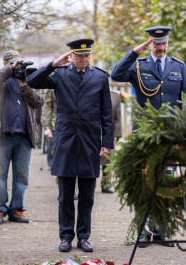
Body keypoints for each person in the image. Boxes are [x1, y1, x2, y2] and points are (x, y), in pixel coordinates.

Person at [27, 38, 114, 253]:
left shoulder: (100, 77)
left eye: (87, 55)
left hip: (90, 139)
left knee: (87, 194)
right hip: (66, 139)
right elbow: (33, 82)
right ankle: (66, 236)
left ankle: (83, 236)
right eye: (79, 55)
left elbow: (107, 114)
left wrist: (107, 143)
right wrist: (53, 64)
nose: (84, 59)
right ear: (71, 56)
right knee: (65, 194)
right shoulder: (60, 74)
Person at [111, 26, 186, 248]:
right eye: (156, 44)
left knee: (168, 183)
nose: (161, 47)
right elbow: (116, 74)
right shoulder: (138, 65)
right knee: (145, 184)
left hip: (170, 136)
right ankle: (144, 232)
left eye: (164, 43)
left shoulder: (178, 66)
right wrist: (135, 52)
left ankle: (163, 231)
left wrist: (185, 133)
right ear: (150, 44)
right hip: (145, 135)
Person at [0, 50, 44, 225]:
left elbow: (39, 101)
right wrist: (9, 70)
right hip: (2, 136)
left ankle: (17, 209)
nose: (16, 66)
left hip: (24, 137)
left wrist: (24, 84)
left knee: (21, 176)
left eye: (18, 63)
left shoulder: (27, 80)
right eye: (12, 63)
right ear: (5, 63)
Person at [100, 89, 122, 194]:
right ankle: (79, 186)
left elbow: (117, 118)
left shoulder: (114, 96)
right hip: (89, 129)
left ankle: (106, 184)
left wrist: (118, 134)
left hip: (108, 131)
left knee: (107, 160)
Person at [41, 89, 56, 170]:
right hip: (55, 124)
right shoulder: (53, 79)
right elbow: (47, 105)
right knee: (52, 146)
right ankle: (52, 164)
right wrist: (46, 126)